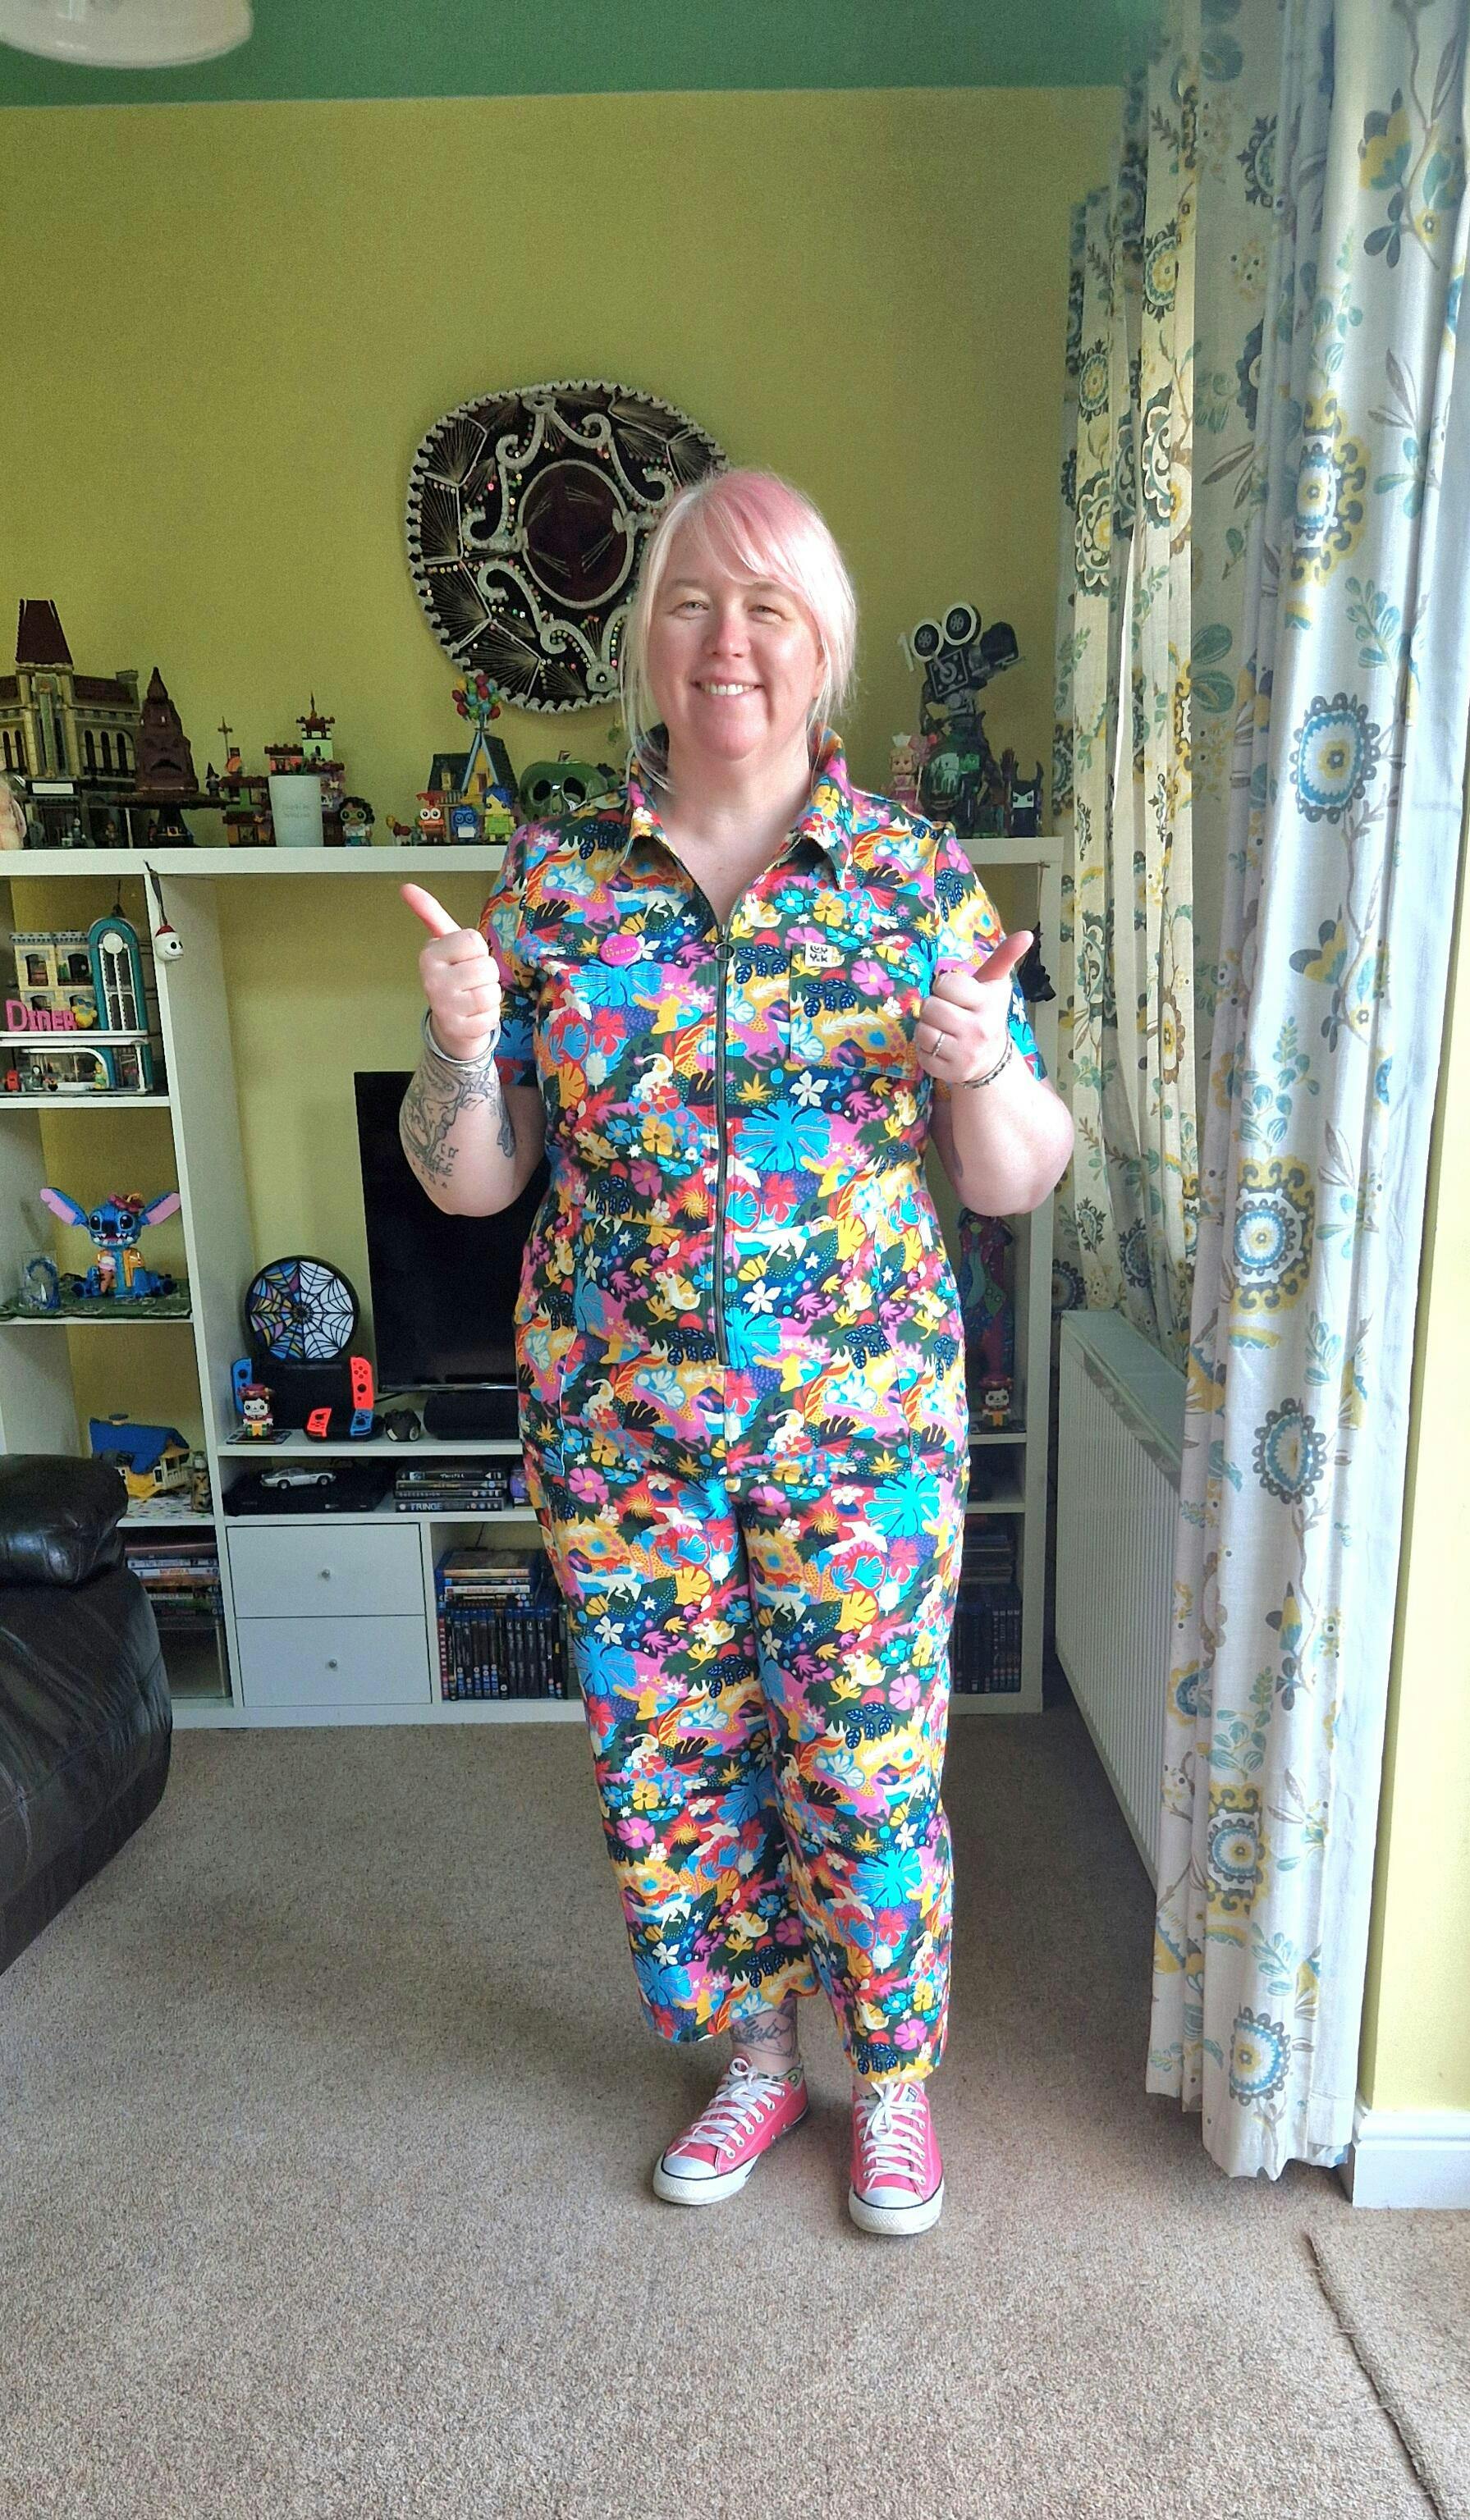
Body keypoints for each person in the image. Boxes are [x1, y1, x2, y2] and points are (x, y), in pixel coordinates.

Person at [399, 468, 1073, 2237]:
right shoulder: (552, 884)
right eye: (693, 601)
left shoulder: (914, 881)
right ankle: (757, 2057)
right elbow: (472, 1184)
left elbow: (1016, 1176)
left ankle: (894, 2083)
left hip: (862, 1433)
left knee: (866, 1764)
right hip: (620, 1430)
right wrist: (458, 1047)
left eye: (768, 606)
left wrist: (984, 1066)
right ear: (646, 640)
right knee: (671, 1765)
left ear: (822, 647)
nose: (728, 641)